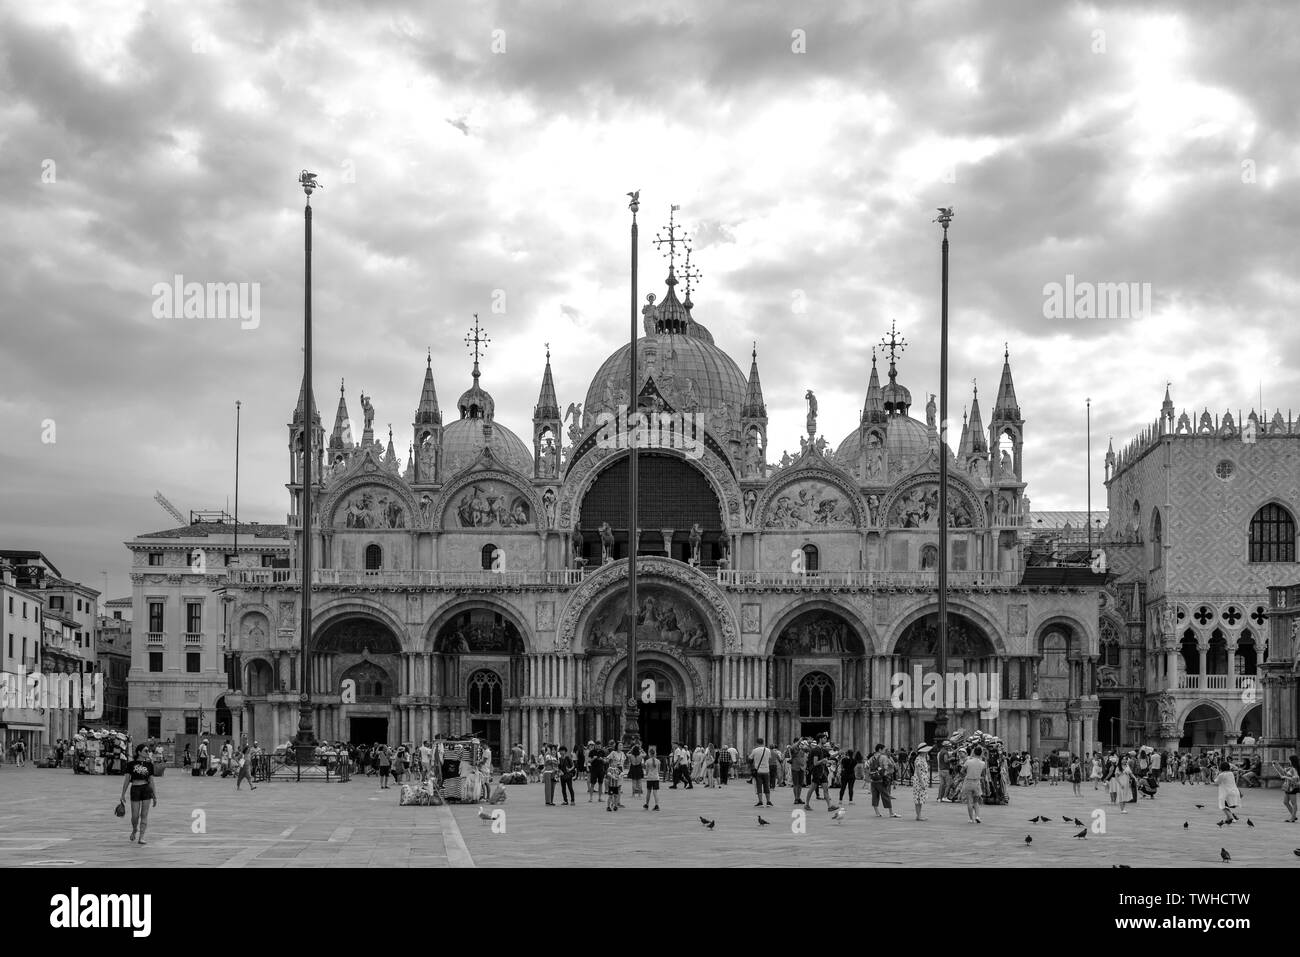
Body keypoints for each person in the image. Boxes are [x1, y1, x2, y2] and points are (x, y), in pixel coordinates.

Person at [119, 744, 157, 844]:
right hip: (135, 788)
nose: (147, 752)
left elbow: (151, 780)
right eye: (145, 750)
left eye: (148, 751)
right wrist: (123, 794)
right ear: (139, 752)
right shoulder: (131, 764)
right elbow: (127, 779)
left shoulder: (149, 764)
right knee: (135, 816)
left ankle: (141, 837)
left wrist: (154, 795)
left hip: (146, 789)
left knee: (144, 814)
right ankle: (135, 829)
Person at [866, 744, 899, 817]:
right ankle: (891, 813)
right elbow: (887, 767)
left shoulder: (871, 758)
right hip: (881, 780)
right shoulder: (883, 757)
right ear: (880, 749)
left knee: (875, 796)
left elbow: (867, 767)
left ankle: (877, 813)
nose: (884, 751)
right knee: (886, 796)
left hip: (873, 780)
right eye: (884, 749)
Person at [961, 745, 987, 824]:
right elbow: (983, 774)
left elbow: (962, 771)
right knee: (976, 801)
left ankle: (971, 819)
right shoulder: (983, 763)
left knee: (969, 801)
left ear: (974, 752)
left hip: (968, 781)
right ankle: (977, 816)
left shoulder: (968, 761)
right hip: (977, 782)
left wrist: (967, 774)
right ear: (981, 753)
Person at [1270, 754, 1299, 823]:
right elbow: (1283, 771)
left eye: (1289, 760)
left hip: (1292, 787)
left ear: (1292, 761)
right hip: (1288, 787)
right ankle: (1293, 816)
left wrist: (1285, 777)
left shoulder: (1294, 769)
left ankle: (1292, 818)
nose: (1289, 761)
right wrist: (1277, 765)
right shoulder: (1290, 768)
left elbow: (1295, 778)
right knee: (1285, 802)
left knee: (1293, 803)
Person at [1215, 760, 1241, 824]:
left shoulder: (1222, 775)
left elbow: (1216, 782)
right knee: (1226, 806)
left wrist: (1217, 773)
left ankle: (1232, 818)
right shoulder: (1231, 773)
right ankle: (1228, 819)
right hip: (1234, 792)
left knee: (1222, 806)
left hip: (1227, 793)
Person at [750, 738, 773, 808]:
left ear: (757, 743)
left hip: (758, 771)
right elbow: (769, 758)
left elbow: (750, 758)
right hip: (766, 771)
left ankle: (760, 802)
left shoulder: (755, 750)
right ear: (763, 742)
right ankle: (768, 801)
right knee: (767, 786)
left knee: (759, 786)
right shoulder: (768, 750)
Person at [912, 744, 932, 821]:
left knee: (920, 798)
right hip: (919, 781)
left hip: (922, 780)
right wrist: (922, 782)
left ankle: (919, 815)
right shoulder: (918, 759)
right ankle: (918, 815)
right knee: (918, 798)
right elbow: (918, 772)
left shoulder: (923, 758)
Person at [643, 745, 662, 810]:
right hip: (656, 777)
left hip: (649, 778)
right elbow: (659, 770)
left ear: (649, 753)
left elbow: (647, 771)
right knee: (655, 792)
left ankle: (647, 804)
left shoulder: (648, 761)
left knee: (648, 792)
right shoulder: (658, 761)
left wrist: (647, 774)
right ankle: (657, 805)